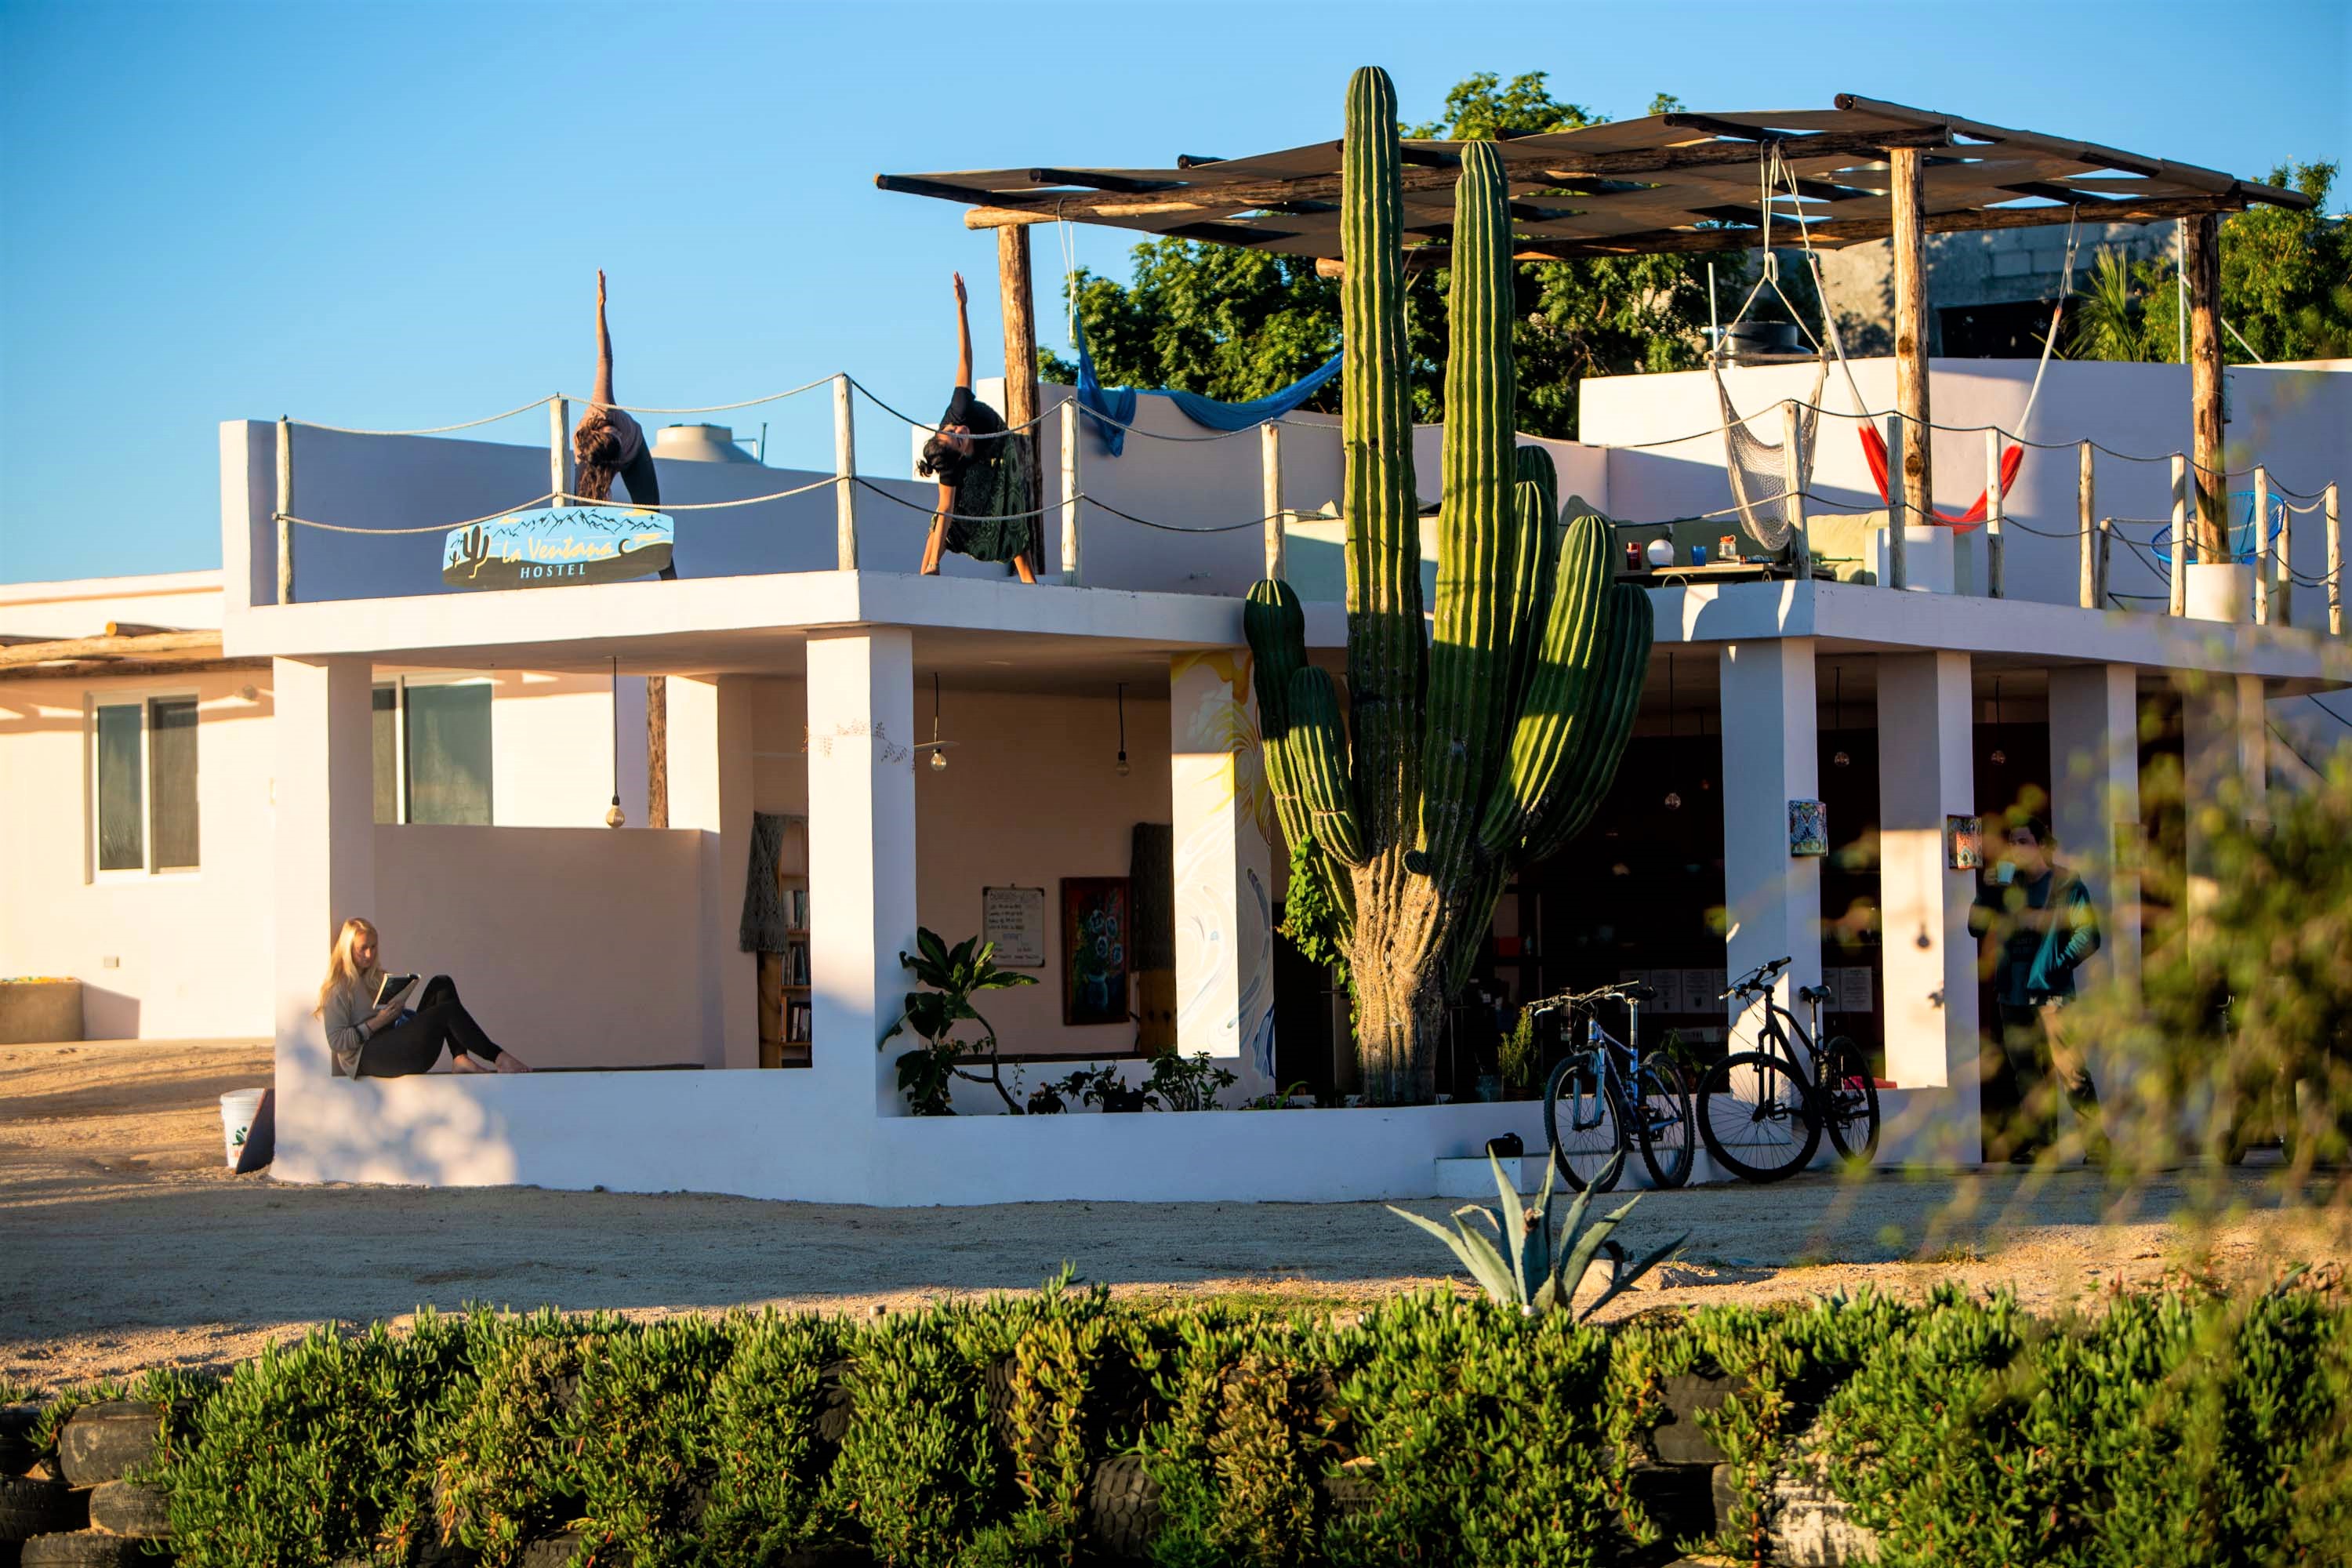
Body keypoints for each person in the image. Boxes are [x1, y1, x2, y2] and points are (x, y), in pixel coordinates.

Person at [1969, 815, 2104, 1163]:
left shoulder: (2066, 885)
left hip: (2051, 994)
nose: (2015, 848)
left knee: (2071, 1070)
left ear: (2042, 845)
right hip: (2012, 994)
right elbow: (1975, 927)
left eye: (2023, 841)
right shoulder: (2006, 885)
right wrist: (1987, 891)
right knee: (2027, 1076)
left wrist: (2056, 965)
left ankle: (2097, 1146)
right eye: (2012, 841)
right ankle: (2044, 1146)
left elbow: (2089, 936)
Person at [916, 272, 1039, 583]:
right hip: (974, 464)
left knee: (1009, 509)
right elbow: (945, 510)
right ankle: (926, 573)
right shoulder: (951, 468)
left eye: (954, 431)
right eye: (958, 440)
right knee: (943, 519)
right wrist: (934, 561)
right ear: (958, 456)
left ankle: (1030, 582)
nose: (961, 431)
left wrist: (962, 307)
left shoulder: (959, 410)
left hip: (998, 445)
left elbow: (965, 357)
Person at [315, 916, 530, 1080]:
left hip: (395, 1039)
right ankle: (499, 1058)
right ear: (348, 950)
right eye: (363, 949)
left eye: (373, 947)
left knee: (442, 983)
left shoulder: (376, 977)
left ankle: (459, 1057)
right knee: (446, 1011)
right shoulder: (338, 989)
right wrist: (377, 1022)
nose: (369, 955)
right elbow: (337, 1042)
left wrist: (398, 1008)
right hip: (367, 1056)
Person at [572, 270, 676, 579]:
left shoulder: (601, 403)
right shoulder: (584, 460)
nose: (617, 430)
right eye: (616, 435)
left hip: (637, 451)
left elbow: (604, 354)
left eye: (614, 433)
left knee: (652, 520)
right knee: (586, 516)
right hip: (601, 466)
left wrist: (600, 307)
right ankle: (589, 580)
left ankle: (671, 583)